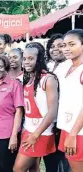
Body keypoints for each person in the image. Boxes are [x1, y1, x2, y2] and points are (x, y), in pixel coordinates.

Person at [13, 42, 59, 172]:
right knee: (33, 168)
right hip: (27, 128)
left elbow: (52, 112)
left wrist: (35, 135)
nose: (26, 62)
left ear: (39, 60)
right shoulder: (24, 78)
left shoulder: (48, 80)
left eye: (31, 59)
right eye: (25, 59)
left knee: (18, 168)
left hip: (40, 132)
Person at [44, 34, 71, 172]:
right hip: (50, 119)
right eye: (52, 46)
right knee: (51, 157)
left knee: (65, 159)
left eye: (60, 46)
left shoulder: (71, 66)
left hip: (64, 120)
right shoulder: (49, 65)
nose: (55, 49)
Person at [57, 29, 83, 172]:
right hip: (67, 127)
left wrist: (73, 134)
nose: (66, 49)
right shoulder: (66, 66)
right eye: (64, 45)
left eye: (72, 44)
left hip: (78, 131)